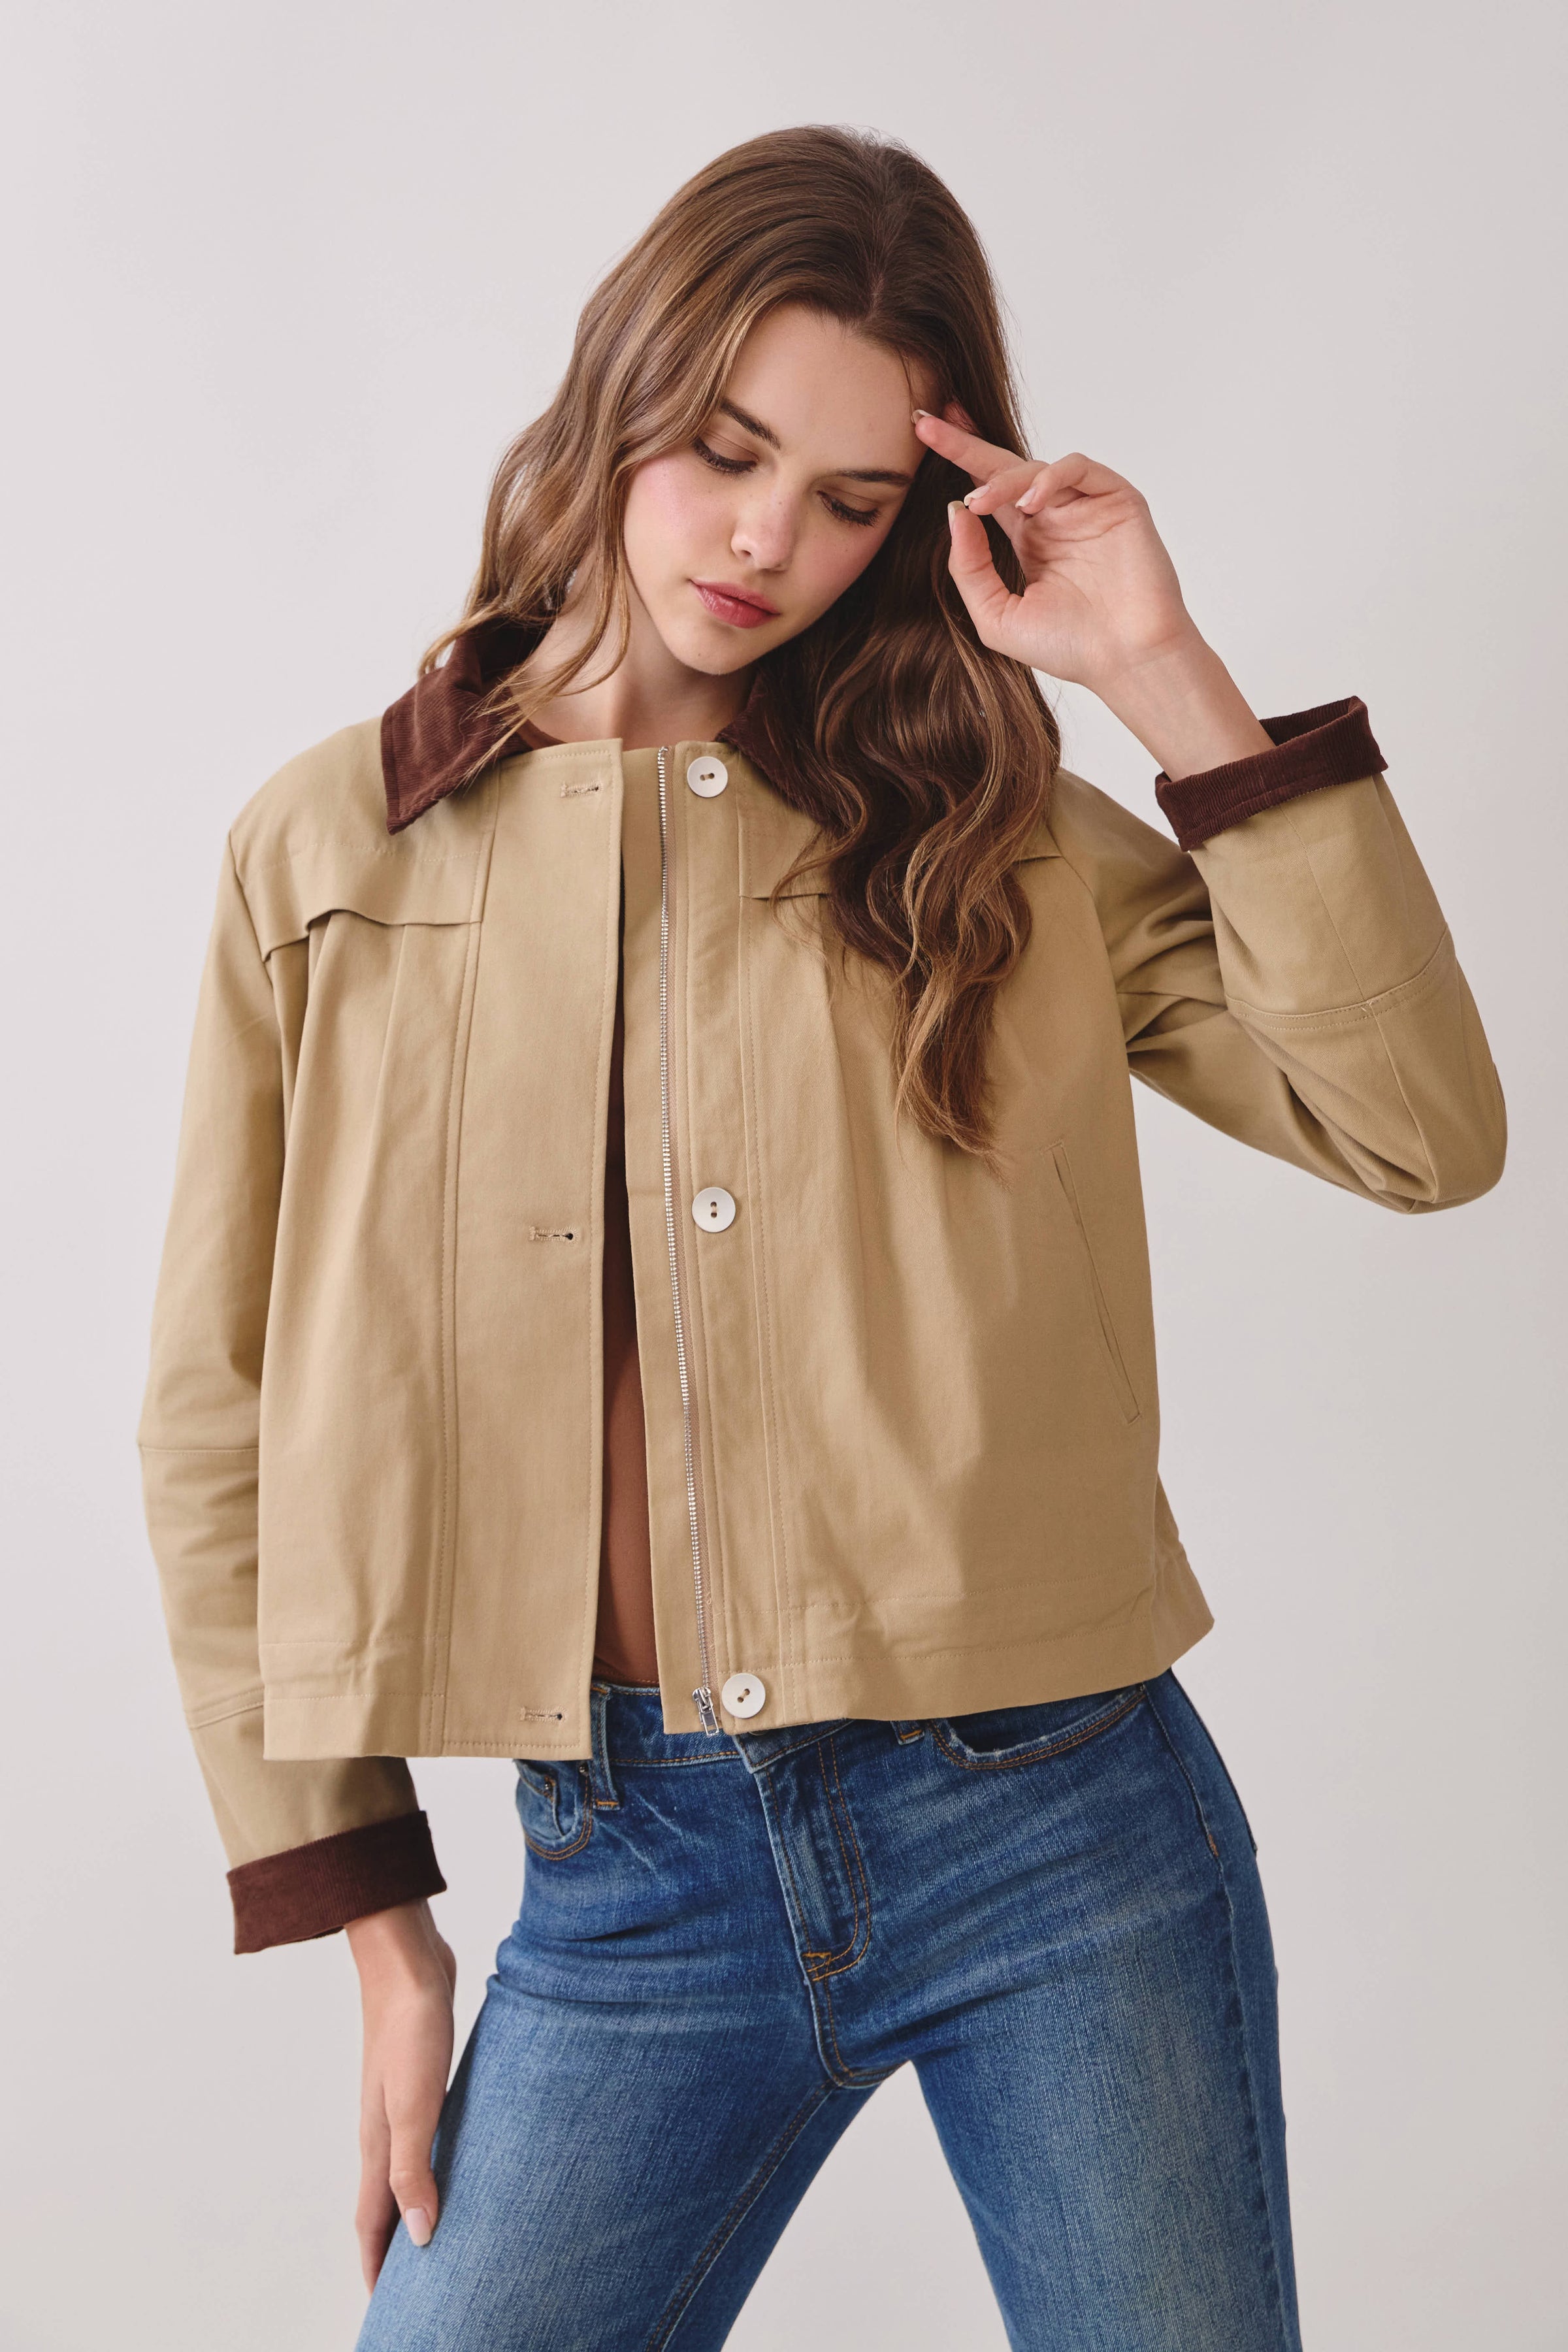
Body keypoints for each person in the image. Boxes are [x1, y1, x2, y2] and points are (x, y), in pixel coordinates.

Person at [139, 125, 1505, 2351]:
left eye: (855, 497)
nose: (770, 540)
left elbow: (1420, 1132)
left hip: (1059, 1824)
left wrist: (1164, 675)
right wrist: (379, 1925)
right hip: (625, 1873)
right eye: (724, 451)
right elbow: (218, 1413)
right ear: (619, 399)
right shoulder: (333, 854)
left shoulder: (992, 829)